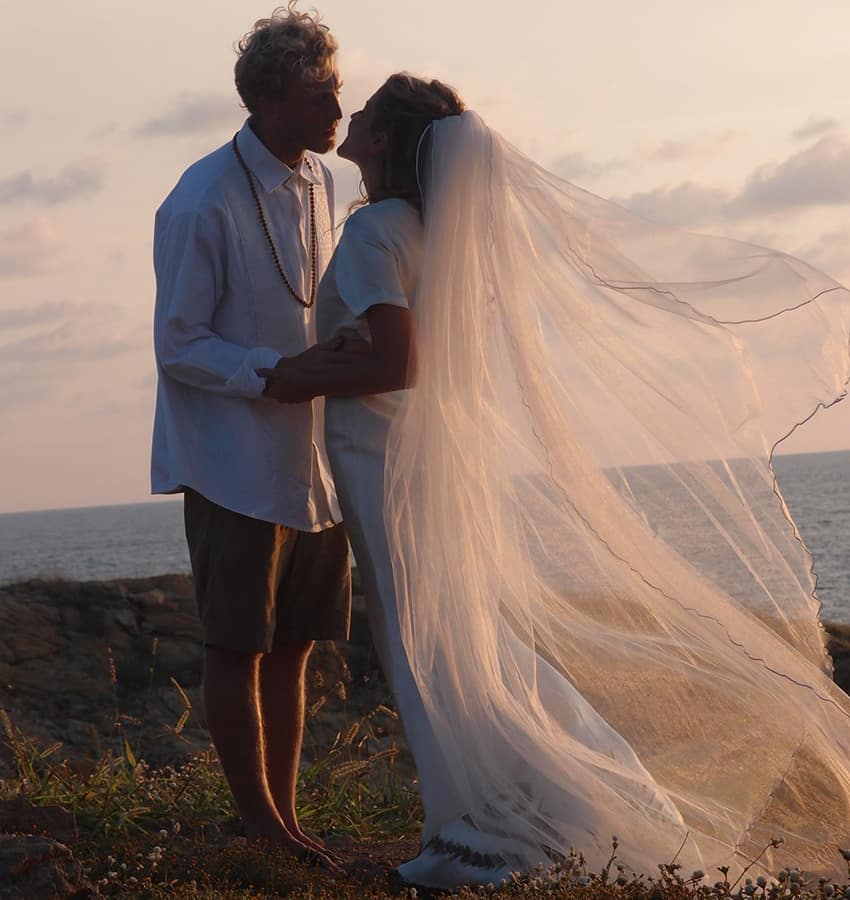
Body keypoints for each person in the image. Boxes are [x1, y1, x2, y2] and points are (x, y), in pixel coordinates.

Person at [263, 72, 850, 889]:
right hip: (415, 462)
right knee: (461, 636)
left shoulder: (375, 234)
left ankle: (489, 829)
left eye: (367, 112)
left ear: (389, 140)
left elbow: (399, 360)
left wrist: (300, 379)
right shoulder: (434, 231)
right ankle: (527, 811)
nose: (351, 116)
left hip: (382, 460)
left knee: (424, 640)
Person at [151, 4, 359, 863]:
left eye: (337, 88)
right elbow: (179, 344)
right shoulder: (200, 200)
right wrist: (272, 375)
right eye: (321, 94)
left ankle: (287, 819)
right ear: (270, 100)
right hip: (235, 466)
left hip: (314, 463)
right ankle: (263, 829)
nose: (338, 109)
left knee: (295, 649)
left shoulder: (323, 180)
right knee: (237, 647)